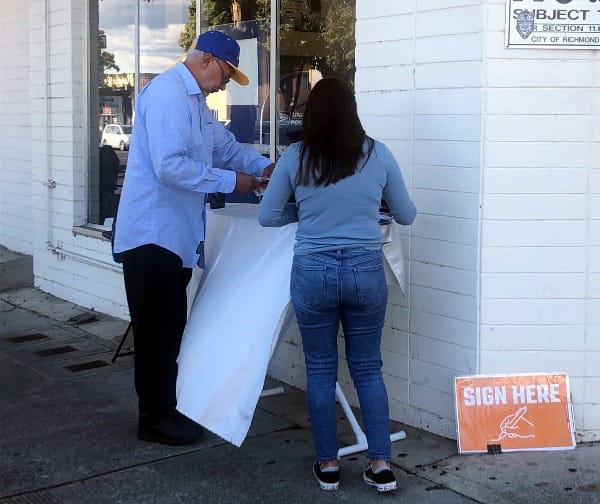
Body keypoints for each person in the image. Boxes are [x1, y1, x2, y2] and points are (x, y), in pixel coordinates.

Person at [113, 30, 274, 446]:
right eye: (225, 73)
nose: (225, 83)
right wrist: (233, 182)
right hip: (153, 236)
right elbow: (171, 167)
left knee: (169, 330)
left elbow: (227, 148)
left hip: (176, 239)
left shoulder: (197, 104)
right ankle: (153, 419)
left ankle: (168, 409)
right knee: (154, 334)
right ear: (205, 61)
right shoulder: (167, 95)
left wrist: (266, 167)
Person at [258, 77, 416, 492]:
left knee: (321, 370)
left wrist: (306, 214)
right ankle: (380, 464)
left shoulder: (296, 156)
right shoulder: (378, 154)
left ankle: (328, 465)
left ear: (311, 112)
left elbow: (267, 216)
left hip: (313, 271)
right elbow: (407, 214)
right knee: (368, 368)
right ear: (353, 110)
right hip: (365, 270)